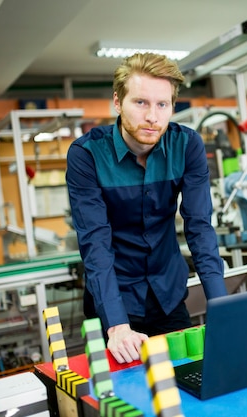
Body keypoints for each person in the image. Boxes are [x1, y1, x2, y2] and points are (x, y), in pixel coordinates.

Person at [66, 53, 227, 363]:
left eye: (162, 105)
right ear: (118, 101)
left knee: (188, 389)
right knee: (122, 404)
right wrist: (117, 325)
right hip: (114, 304)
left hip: (168, 297)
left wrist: (223, 307)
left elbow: (200, 229)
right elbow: (95, 243)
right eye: (141, 103)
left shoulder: (187, 146)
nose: (153, 117)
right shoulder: (86, 155)